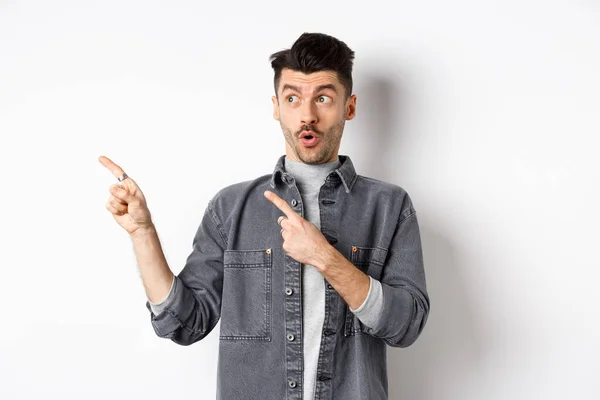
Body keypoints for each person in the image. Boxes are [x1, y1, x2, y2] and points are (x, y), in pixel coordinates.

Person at [99, 32, 430, 400]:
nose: (307, 115)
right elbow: (184, 324)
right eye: (293, 98)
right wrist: (143, 232)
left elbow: (407, 325)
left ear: (349, 107)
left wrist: (325, 257)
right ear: (276, 107)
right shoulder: (231, 208)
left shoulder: (388, 207)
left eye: (323, 98)